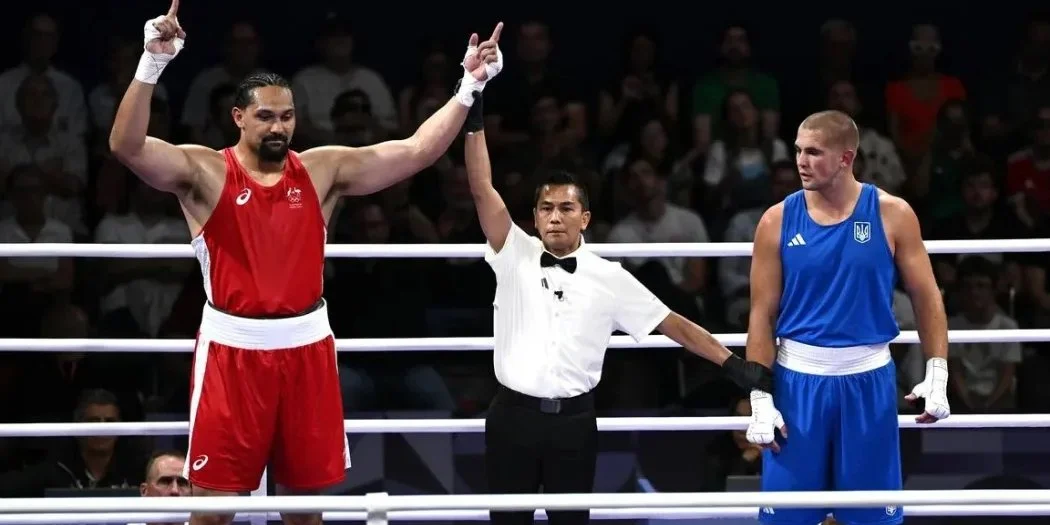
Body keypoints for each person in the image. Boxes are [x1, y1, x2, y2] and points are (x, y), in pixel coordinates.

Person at [108, 3, 505, 525]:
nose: (279, 127)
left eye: (287, 116)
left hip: (306, 350)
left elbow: (415, 151)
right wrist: (151, 63)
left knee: (304, 514)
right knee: (212, 513)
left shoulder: (322, 170)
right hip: (232, 353)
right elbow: (127, 146)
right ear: (239, 117)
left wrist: (468, 86)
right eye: (266, 117)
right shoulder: (205, 171)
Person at [460, 91, 771, 525]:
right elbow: (481, 188)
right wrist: (472, 113)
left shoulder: (610, 277)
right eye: (546, 208)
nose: (555, 217)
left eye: (566, 208)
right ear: (535, 216)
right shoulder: (514, 252)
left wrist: (733, 364)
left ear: (584, 218)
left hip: (574, 423)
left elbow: (672, 324)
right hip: (511, 417)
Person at [744, 110, 952, 525]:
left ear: (846, 158)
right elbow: (762, 314)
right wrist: (759, 397)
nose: (801, 161)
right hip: (796, 383)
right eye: (798, 150)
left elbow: (927, 296)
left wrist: (938, 371)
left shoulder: (893, 214)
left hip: (868, 383)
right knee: (787, 519)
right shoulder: (776, 220)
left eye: (814, 152)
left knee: (871, 517)